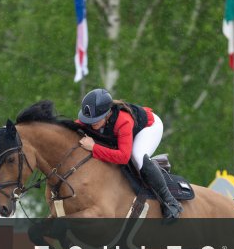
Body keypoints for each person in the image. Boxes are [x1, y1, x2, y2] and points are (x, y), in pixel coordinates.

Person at [76, 88, 182, 219]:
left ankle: (170, 201)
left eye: (95, 120)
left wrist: (94, 147)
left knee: (137, 156)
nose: (91, 124)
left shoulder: (123, 120)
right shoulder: (91, 118)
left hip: (149, 128)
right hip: (127, 133)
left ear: (107, 114)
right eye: (89, 120)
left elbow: (123, 157)